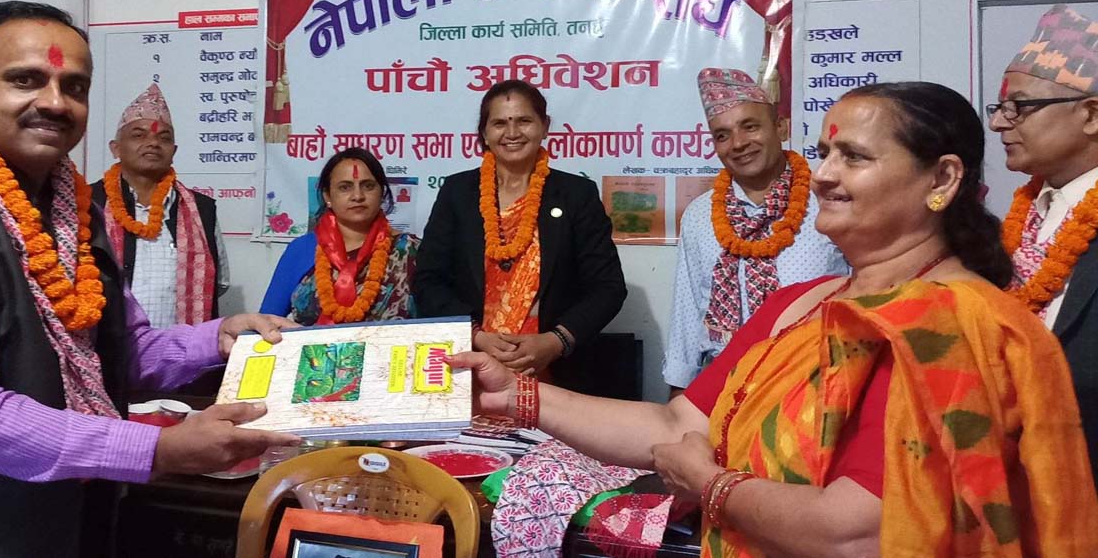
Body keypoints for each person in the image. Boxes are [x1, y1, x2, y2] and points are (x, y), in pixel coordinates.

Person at [454, 82, 1098, 556]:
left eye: (854, 158)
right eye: (823, 153)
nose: (823, 175)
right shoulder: (802, 301)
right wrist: (515, 396)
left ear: (943, 178)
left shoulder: (952, 329)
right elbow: (674, 423)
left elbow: (856, 534)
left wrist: (711, 485)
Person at [0, 1, 300, 558]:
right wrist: (158, 450)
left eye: (75, 86)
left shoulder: (70, 204)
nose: (55, 102)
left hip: (76, 514)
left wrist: (219, 338)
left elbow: (116, 350)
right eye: (25, 80)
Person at [415, 79, 627, 384]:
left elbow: (608, 288)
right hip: (469, 363)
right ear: (484, 132)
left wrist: (555, 341)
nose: (512, 133)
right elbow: (428, 279)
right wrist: (475, 335)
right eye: (499, 123)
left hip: (553, 370)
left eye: (524, 121)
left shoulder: (576, 195)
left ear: (544, 126)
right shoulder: (457, 192)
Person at [665, 68, 847, 394]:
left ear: (781, 127)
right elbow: (688, 310)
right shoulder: (700, 215)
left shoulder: (830, 202)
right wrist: (679, 391)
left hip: (814, 383)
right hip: (722, 383)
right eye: (722, 135)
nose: (738, 144)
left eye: (750, 127)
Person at [992, 3, 1098, 484]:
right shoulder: (1022, 217)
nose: (999, 123)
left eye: (1021, 107)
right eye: (1000, 107)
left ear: (1091, 115)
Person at [92, 82, 230, 327]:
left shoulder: (201, 209)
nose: (153, 143)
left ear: (173, 151)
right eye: (138, 135)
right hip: (107, 344)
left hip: (180, 345)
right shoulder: (89, 202)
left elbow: (218, 283)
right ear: (116, 148)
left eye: (163, 138)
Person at [260, 147, 419, 324]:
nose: (357, 196)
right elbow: (267, 321)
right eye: (345, 187)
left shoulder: (411, 250)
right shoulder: (302, 249)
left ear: (381, 192)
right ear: (327, 196)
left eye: (368, 186)